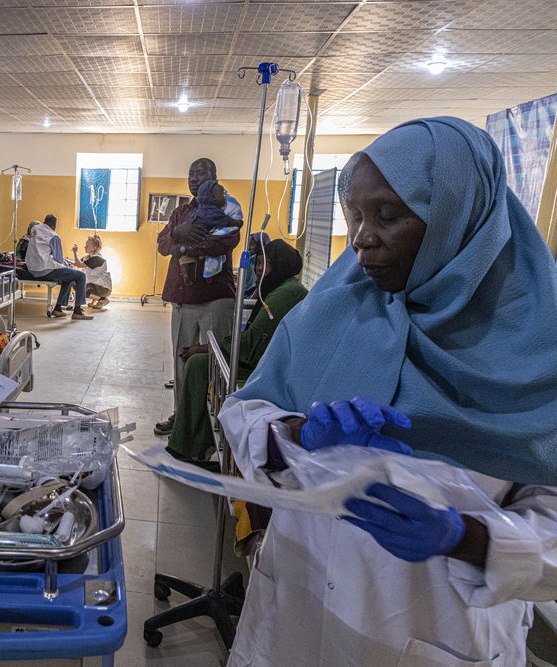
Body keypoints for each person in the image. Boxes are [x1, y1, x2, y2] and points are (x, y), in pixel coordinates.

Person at [219, 118, 557, 666]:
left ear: (459, 217)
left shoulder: (541, 349)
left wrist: (468, 538)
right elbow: (243, 414)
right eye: (355, 215)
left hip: (436, 630)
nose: (361, 237)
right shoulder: (328, 312)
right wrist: (296, 434)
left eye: (389, 216)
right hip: (296, 610)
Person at [167, 239, 305, 463]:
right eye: (258, 263)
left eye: (265, 264)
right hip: (265, 359)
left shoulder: (286, 293)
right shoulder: (281, 288)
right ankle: (194, 444)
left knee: (199, 364)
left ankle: (190, 446)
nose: (259, 269)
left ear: (280, 266)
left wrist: (205, 347)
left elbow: (251, 342)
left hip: (271, 369)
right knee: (200, 363)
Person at [155, 157, 241, 435]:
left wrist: (185, 246)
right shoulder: (181, 211)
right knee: (182, 360)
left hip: (216, 296)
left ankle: (220, 419)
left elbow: (225, 240)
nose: (193, 179)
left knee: (217, 363)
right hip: (183, 297)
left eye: (200, 174)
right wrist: (179, 235)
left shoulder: (226, 205)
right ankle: (182, 417)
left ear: (214, 176)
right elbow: (163, 243)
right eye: (190, 174)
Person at [25, 213, 93, 320]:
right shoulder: (54, 236)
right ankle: (77, 311)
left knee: (69, 276)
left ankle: (58, 309)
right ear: (55, 224)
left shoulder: (35, 228)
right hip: (44, 269)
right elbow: (58, 259)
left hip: (31, 267)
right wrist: (66, 263)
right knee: (80, 276)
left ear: (44, 221)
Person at [177, 181, 243, 287]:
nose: (225, 198)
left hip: (186, 241)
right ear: (213, 198)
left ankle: (185, 273)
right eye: (222, 194)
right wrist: (238, 223)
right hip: (200, 239)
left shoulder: (196, 211)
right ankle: (209, 275)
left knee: (184, 258)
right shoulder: (213, 211)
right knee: (207, 256)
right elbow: (225, 221)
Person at [72, 234, 112, 309]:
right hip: (95, 285)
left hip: (103, 288)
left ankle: (102, 300)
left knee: (78, 285)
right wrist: (64, 260)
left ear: (95, 248)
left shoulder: (97, 258)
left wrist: (75, 253)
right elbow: (75, 263)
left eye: (87, 245)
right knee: (81, 283)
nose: (85, 247)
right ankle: (95, 300)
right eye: (85, 245)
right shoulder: (87, 257)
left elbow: (79, 264)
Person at [243, 231, 271, 297]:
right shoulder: (249, 259)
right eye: (248, 245)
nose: (249, 248)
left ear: (261, 244)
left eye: (252, 244)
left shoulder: (255, 260)